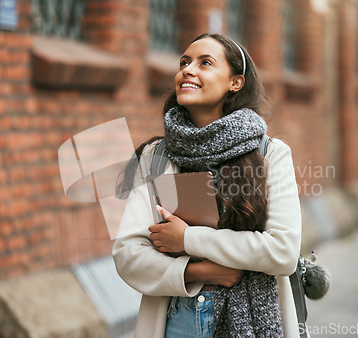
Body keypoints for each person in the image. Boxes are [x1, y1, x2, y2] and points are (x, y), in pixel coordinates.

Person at [113, 33, 302, 337]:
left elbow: (283, 251)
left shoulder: (270, 154)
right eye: (184, 62)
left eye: (205, 63)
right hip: (177, 317)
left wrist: (187, 239)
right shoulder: (158, 155)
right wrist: (195, 271)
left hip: (253, 316)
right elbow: (127, 253)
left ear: (235, 82)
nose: (188, 70)